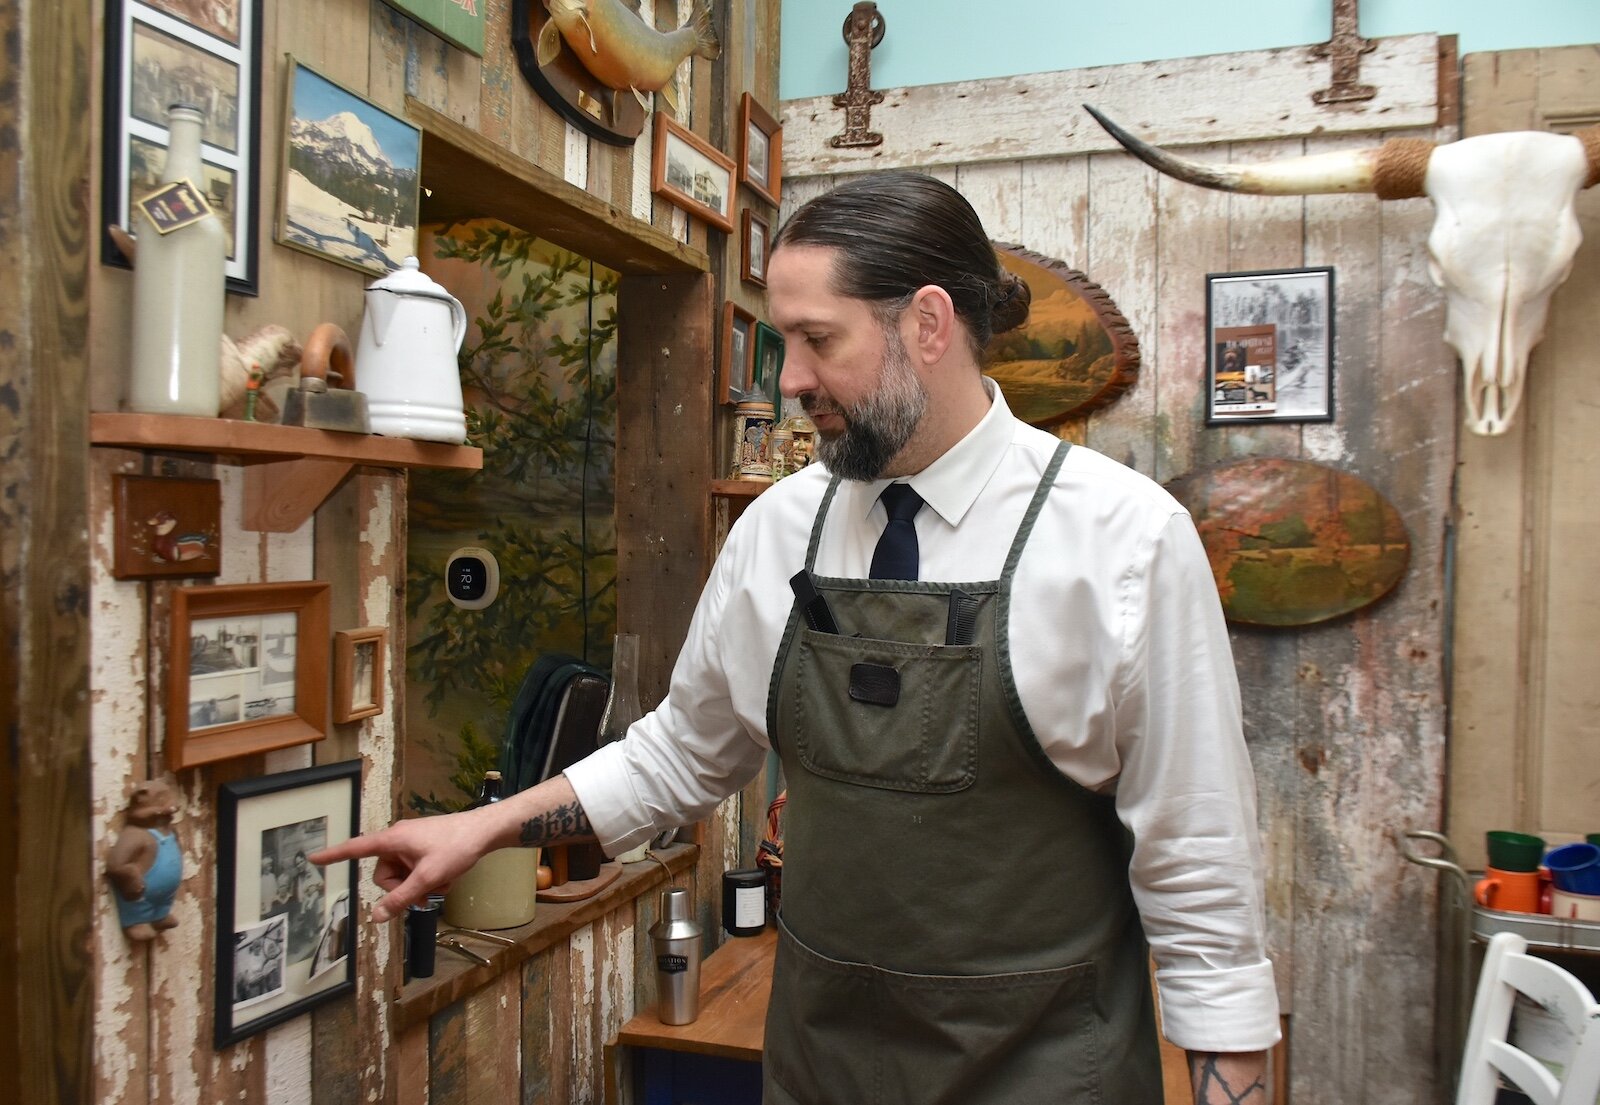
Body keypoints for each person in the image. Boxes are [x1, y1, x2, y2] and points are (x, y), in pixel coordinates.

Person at [312, 171, 1279, 1104]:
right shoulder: (778, 529)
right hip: (821, 1068)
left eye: (819, 339)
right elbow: (680, 754)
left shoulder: (1122, 540)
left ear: (929, 324)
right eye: (784, 341)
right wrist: (487, 825)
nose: (793, 379)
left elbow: (1202, 878)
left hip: (1045, 1074)